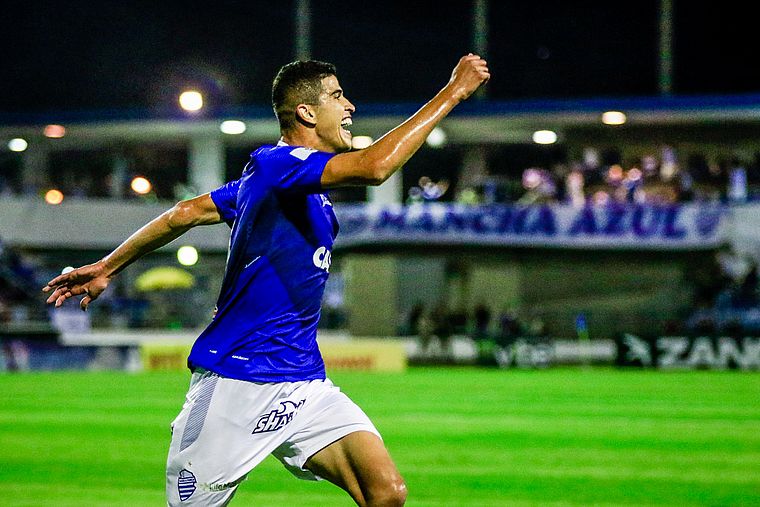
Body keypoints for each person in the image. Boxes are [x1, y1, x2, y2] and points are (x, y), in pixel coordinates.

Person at [43, 54, 489, 506]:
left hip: (302, 380)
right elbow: (375, 167)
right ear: (307, 113)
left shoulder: (283, 185)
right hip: (237, 378)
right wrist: (453, 92)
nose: (350, 106)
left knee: (386, 493)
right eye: (337, 96)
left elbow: (186, 212)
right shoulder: (276, 166)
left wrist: (107, 266)